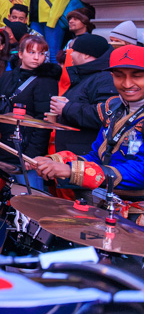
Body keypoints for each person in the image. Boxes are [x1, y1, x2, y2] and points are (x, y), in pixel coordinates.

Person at [35, 45, 144, 214]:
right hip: (110, 207)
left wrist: (73, 171)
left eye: (137, 76)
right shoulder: (114, 107)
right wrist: (59, 162)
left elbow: (141, 171)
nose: (127, 83)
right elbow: (99, 154)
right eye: (119, 76)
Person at [0, 34, 60, 190]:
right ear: (20, 54)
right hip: (3, 146)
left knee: (31, 198)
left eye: (41, 54)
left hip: (26, 151)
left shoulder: (47, 81)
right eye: (32, 52)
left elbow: (44, 121)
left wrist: (32, 155)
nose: (37, 58)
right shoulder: (7, 76)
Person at [52, 33, 117, 155]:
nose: (70, 53)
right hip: (74, 151)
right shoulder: (86, 75)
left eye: (74, 50)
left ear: (86, 55)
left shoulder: (105, 78)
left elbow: (107, 115)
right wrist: (60, 116)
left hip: (86, 155)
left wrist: (66, 108)